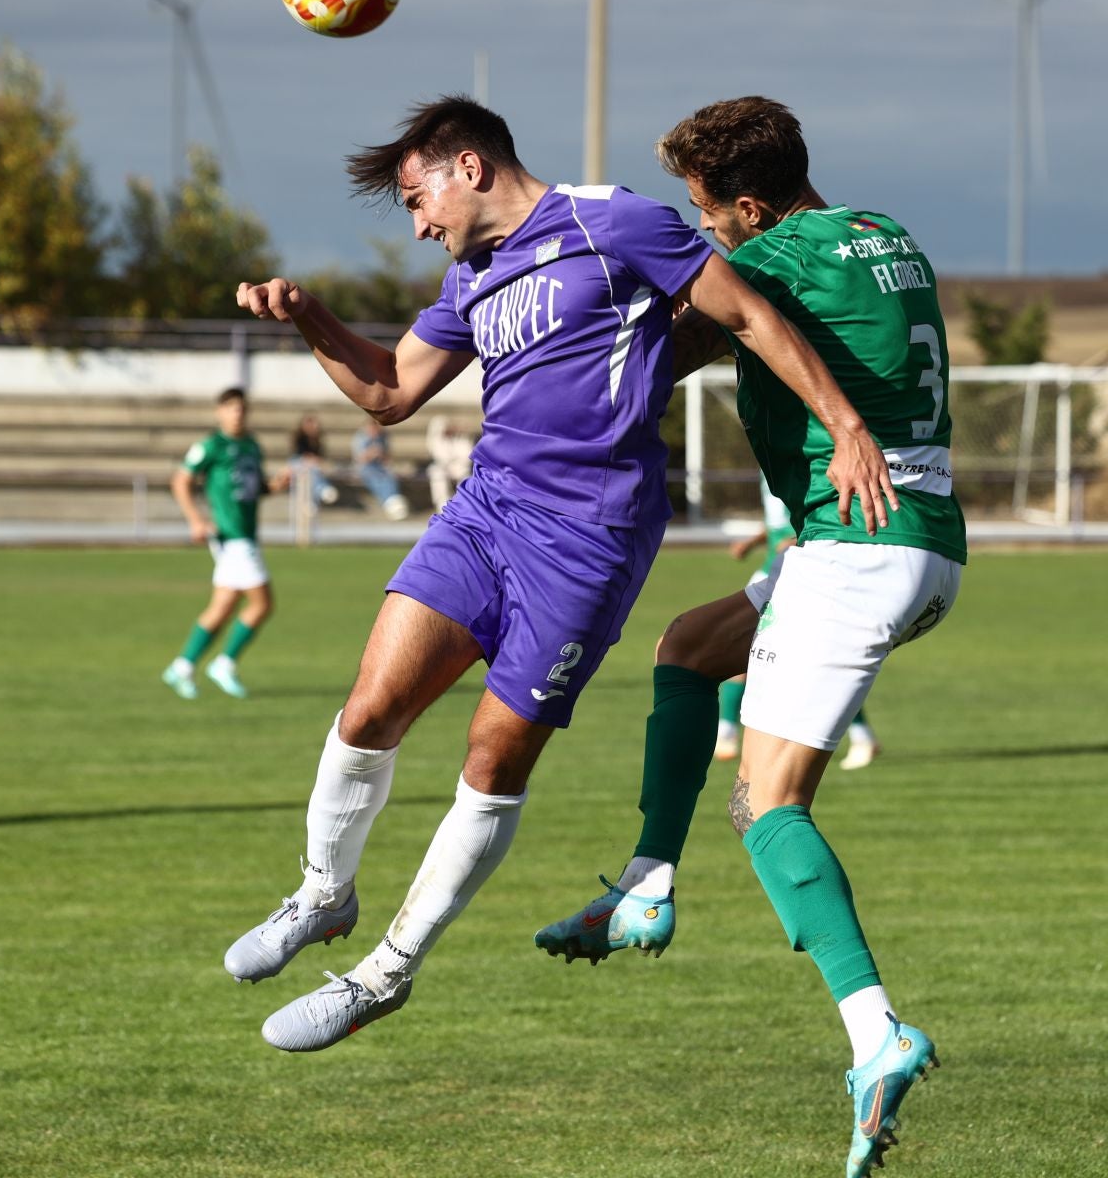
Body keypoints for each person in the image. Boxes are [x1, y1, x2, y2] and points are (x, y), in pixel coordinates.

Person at [224, 95, 896, 1053]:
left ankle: (386, 972)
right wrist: (308, 317)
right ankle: (324, 893)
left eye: (417, 200)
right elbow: (389, 391)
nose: (419, 226)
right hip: (485, 514)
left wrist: (848, 426)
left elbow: (746, 312)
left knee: (491, 758)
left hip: (590, 541)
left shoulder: (614, 222)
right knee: (369, 708)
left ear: (469, 168)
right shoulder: (473, 275)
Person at [533, 97, 967, 1177]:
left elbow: (671, 339)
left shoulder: (768, 259)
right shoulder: (884, 232)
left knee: (767, 805)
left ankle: (876, 1033)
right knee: (688, 647)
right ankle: (646, 885)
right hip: (921, 540)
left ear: (751, 207)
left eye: (704, 211)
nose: (703, 229)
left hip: (856, 547)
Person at [715, 478, 881, 770]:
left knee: (815, 660)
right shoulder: (768, 464)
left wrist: (800, 539)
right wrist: (753, 542)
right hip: (771, 573)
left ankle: (861, 736)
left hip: (800, 574)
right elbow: (778, 519)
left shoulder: (806, 461)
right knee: (742, 647)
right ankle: (725, 732)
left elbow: (827, 510)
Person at [161, 387, 279, 701]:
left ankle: (182, 666)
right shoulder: (210, 446)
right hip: (231, 537)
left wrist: (273, 486)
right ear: (219, 412)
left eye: (241, 408)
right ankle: (224, 664)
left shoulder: (252, 446)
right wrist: (196, 520)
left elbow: (254, 488)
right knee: (262, 604)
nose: (237, 413)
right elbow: (181, 481)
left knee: (224, 605)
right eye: (231, 408)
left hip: (246, 534)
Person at [351, 418, 411, 520]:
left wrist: (381, 455)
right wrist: (371, 453)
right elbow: (360, 460)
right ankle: (390, 502)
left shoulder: (382, 437)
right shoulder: (360, 438)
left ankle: (393, 499)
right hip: (366, 468)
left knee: (390, 477)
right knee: (376, 479)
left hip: (380, 467)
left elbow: (387, 458)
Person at [423, 414, 475, 511]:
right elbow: (439, 456)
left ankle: (463, 502)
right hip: (442, 467)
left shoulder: (461, 438)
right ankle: (442, 503)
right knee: (436, 473)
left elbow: (466, 457)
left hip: (459, 467)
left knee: (465, 475)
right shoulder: (436, 439)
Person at [289, 413, 339, 507]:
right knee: (312, 471)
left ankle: (320, 491)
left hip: (312, 465)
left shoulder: (317, 439)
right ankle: (322, 490)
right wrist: (313, 460)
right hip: (299, 463)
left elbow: (319, 456)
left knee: (316, 471)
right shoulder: (299, 437)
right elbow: (301, 455)